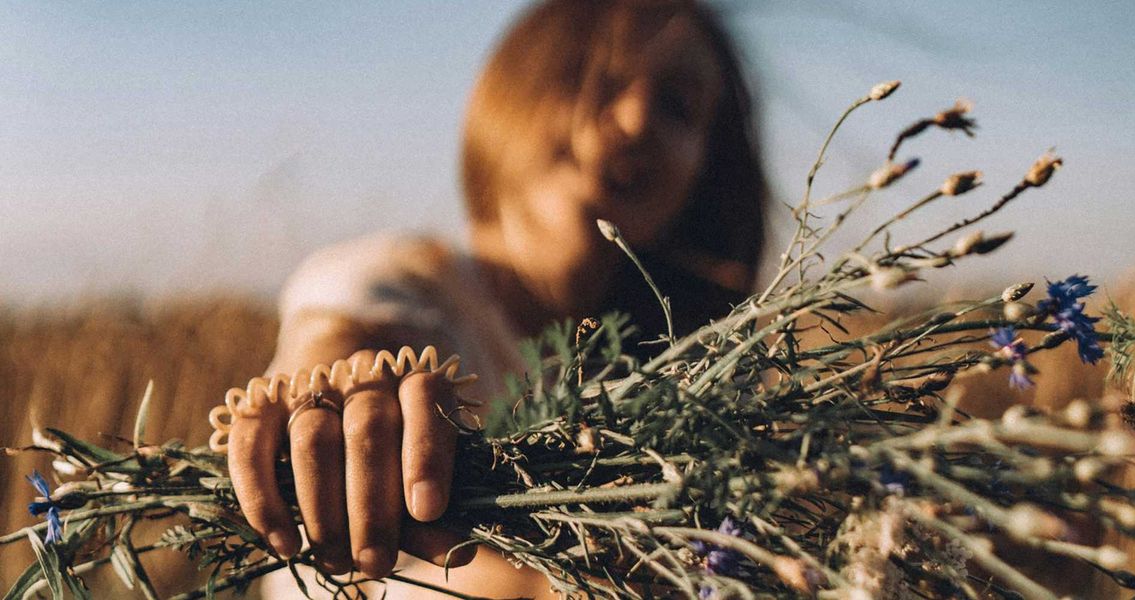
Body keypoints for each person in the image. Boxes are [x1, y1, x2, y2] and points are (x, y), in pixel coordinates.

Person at [228, 0, 769, 597]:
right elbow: (342, 335)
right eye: (599, 76)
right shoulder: (405, 282)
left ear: (705, 178)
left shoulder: (680, 373)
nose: (637, 118)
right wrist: (337, 392)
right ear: (514, 91)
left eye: (678, 105)